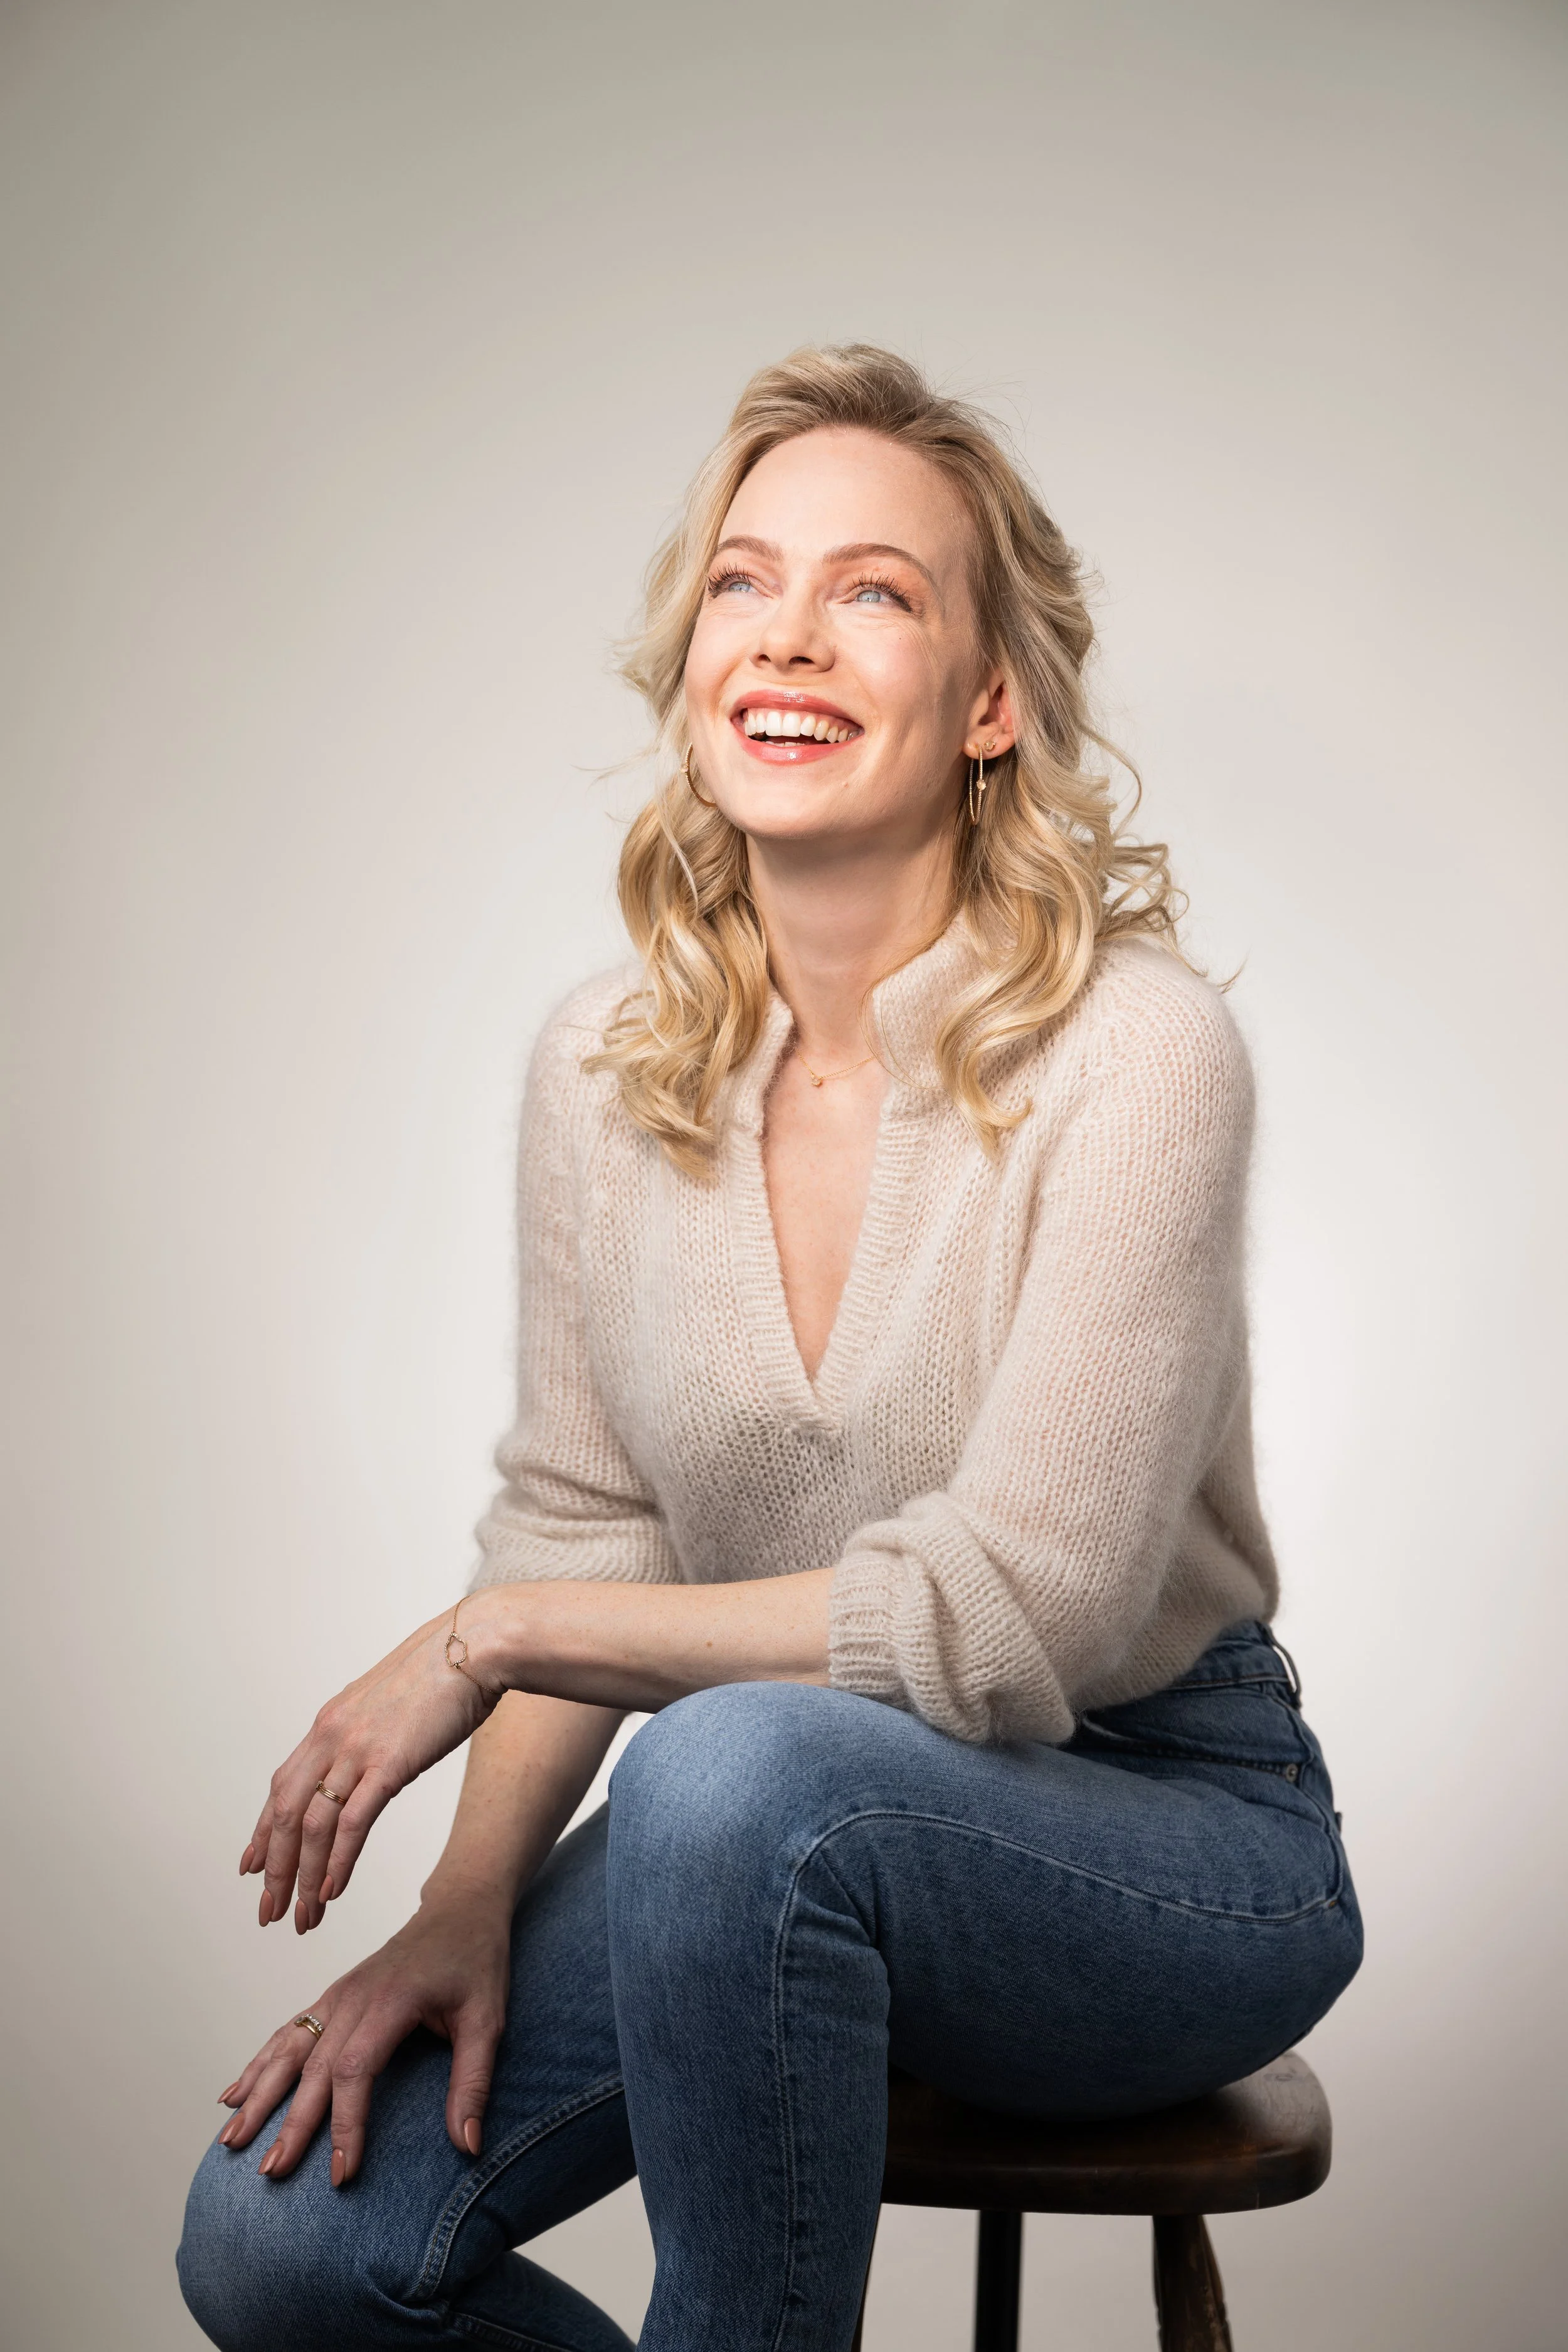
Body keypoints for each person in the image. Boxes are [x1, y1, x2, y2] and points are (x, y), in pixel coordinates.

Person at [177, 344, 1362, 2352]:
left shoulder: (1139, 1055)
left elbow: (1018, 1616)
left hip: (1168, 1839)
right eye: (744, 579)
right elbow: (590, 1516)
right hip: (760, 1849)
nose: (787, 634)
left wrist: (482, 1641)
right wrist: (467, 1899)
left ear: (992, 703)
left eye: (874, 589)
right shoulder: (606, 1070)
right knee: (287, 2241)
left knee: (728, 1772)